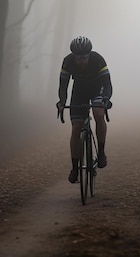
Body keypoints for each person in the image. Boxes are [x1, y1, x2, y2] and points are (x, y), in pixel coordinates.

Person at [56, 36, 113, 184]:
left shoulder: (98, 60)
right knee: (76, 128)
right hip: (79, 91)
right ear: (73, 55)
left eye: (85, 56)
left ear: (89, 54)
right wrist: (62, 102)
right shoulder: (68, 62)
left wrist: (105, 99)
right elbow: (63, 86)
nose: (81, 60)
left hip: (97, 89)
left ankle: (101, 152)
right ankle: (75, 168)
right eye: (78, 57)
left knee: (98, 113)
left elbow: (107, 84)